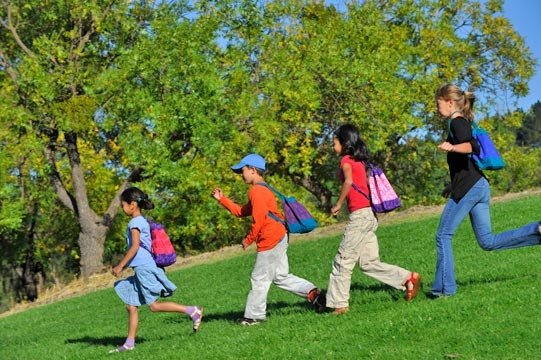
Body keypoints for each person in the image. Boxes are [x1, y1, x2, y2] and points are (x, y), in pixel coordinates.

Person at [432, 83, 541, 297]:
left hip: (470, 188)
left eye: (438, 103)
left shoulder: (457, 122)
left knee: (443, 235)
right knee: (487, 241)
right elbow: (466, 157)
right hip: (478, 185)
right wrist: (450, 186)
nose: (437, 108)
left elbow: (470, 147)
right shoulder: (461, 122)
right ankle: (536, 231)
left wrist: (453, 147)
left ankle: (444, 290)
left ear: (449, 102)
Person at [212, 153, 324, 325]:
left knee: (260, 278)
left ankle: (253, 317)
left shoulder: (256, 191)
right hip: (279, 234)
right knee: (280, 276)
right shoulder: (263, 189)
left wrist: (248, 240)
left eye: (242, 170)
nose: (241, 175)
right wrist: (222, 200)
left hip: (270, 238)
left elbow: (259, 220)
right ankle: (312, 293)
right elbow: (241, 212)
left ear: (253, 170)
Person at [326, 124, 421, 314]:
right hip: (370, 215)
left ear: (344, 143)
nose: (332, 147)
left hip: (360, 217)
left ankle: (339, 305)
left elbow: (348, 181)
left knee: (343, 260)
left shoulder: (345, 160)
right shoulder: (360, 161)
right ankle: (407, 278)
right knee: (368, 262)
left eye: (334, 142)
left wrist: (338, 204)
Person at [110, 187, 203, 353]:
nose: (122, 208)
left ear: (132, 205)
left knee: (153, 306)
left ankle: (192, 311)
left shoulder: (134, 223)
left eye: (123, 204)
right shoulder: (142, 221)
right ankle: (129, 343)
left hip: (144, 268)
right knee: (131, 305)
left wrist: (120, 265)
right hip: (142, 268)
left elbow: (135, 247)